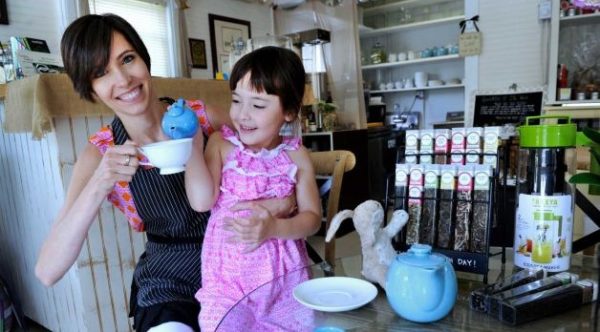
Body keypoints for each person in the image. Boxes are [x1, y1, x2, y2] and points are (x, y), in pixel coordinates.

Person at [35, 14, 293, 332]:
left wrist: (280, 206)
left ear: (144, 58)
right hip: (169, 281)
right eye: (101, 73)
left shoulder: (204, 117)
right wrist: (101, 182)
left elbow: (280, 166)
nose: (124, 79)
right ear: (90, 88)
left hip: (241, 265)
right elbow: (48, 271)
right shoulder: (100, 154)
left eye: (127, 59)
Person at [185, 46, 322, 331]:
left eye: (258, 105)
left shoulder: (297, 156)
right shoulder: (222, 147)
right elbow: (202, 201)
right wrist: (192, 147)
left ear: (289, 112)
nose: (243, 115)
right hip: (227, 286)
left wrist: (275, 229)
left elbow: (312, 218)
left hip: (286, 285)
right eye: (236, 100)